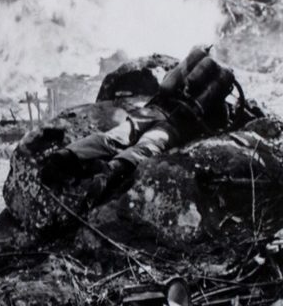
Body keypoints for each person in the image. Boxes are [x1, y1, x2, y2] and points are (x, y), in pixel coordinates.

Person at [40, 46, 241, 205]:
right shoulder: (217, 101)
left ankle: (66, 156)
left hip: (151, 111)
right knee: (145, 147)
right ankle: (110, 172)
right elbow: (217, 126)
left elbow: (165, 85)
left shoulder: (186, 72)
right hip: (173, 128)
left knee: (115, 136)